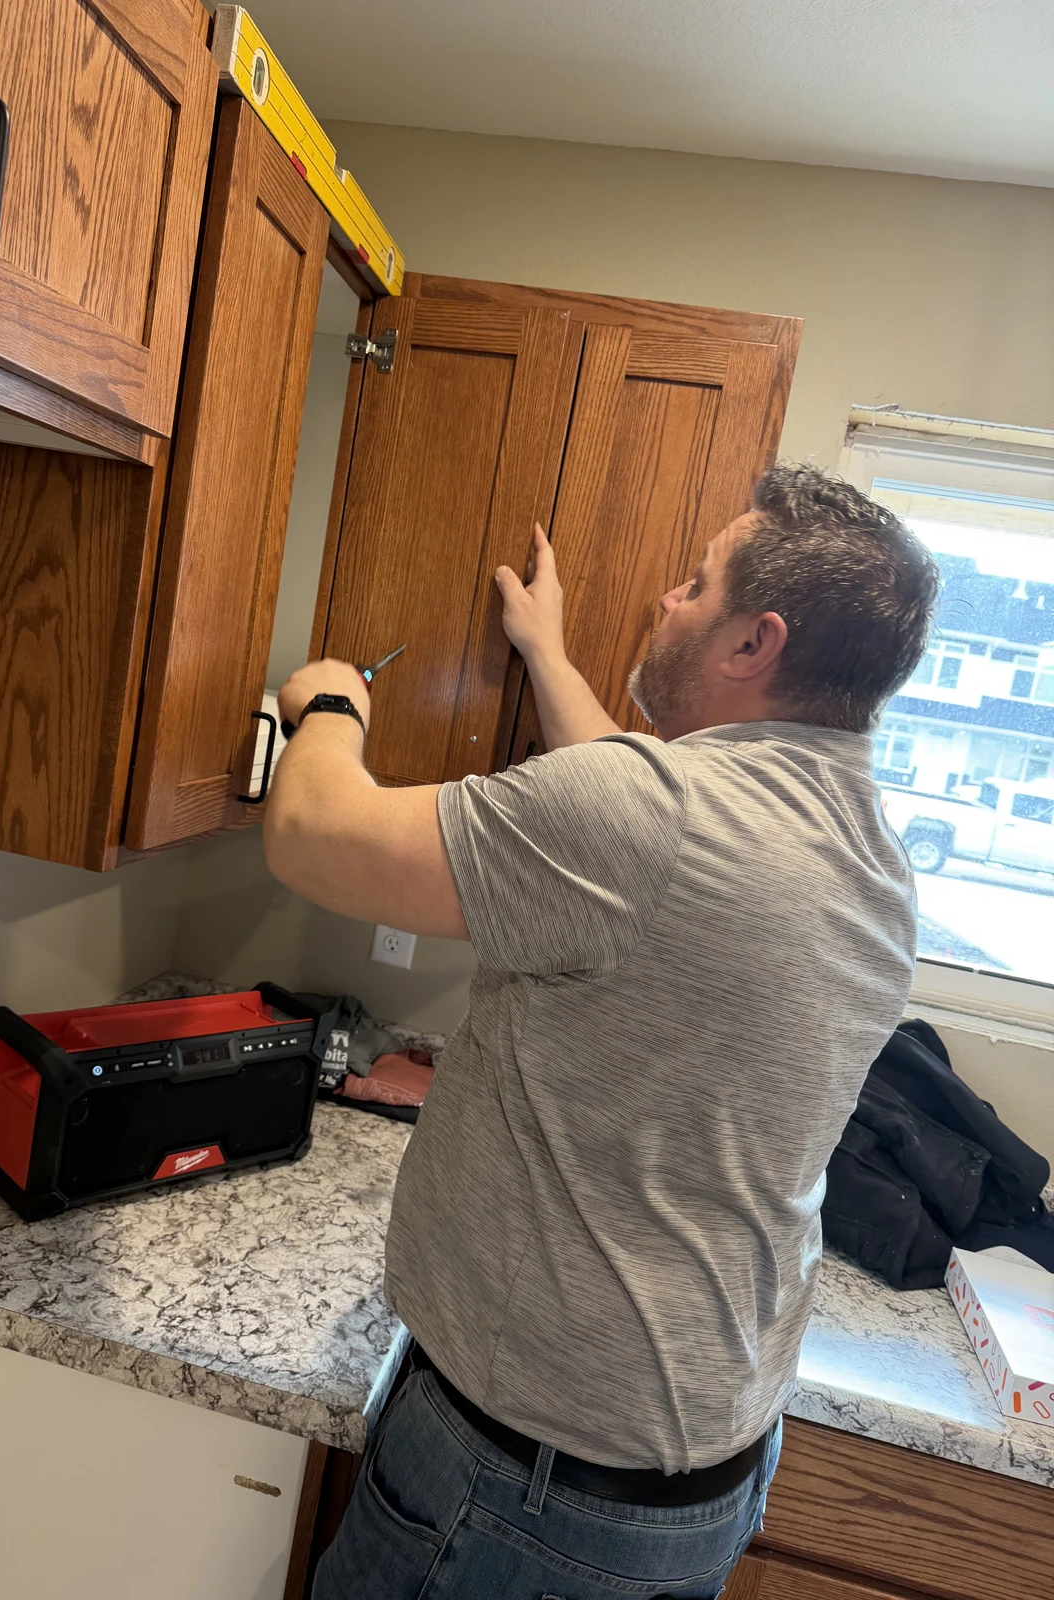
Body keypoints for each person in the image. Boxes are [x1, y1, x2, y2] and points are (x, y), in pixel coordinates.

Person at [264, 463, 940, 1600]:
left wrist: (328, 709)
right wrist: (546, 653)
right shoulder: (868, 850)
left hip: (524, 1489)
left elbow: (313, 835)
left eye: (696, 583)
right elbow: (633, 822)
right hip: (706, 1470)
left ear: (754, 641)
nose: (665, 600)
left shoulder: (648, 819)